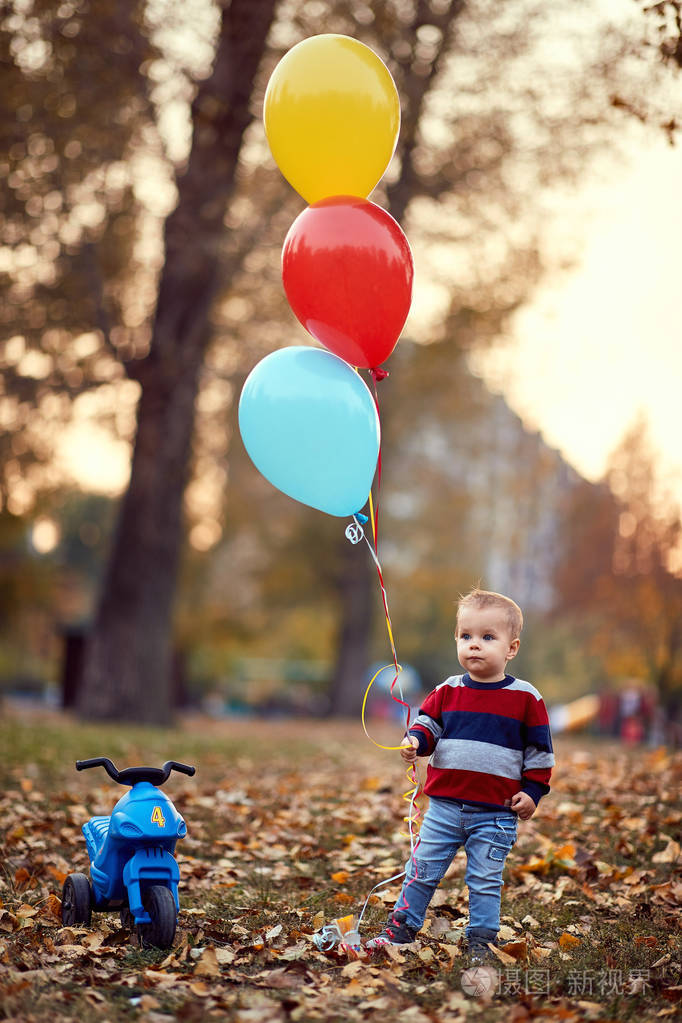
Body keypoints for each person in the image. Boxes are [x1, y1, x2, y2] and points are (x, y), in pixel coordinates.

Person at [366, 588, 555, 963]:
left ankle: (481, 941)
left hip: (496, 812)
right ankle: (400, 928)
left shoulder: (525, 697)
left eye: (488, 637)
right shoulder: (446, 691)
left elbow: (540, 751)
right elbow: (427, 726)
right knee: (421, 869)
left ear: (511, 648)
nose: (474, 645)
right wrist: (414, 743)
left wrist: (534, 791)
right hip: (445, 808)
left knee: (484, 880)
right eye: (466, 636)